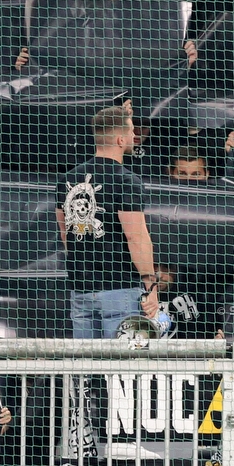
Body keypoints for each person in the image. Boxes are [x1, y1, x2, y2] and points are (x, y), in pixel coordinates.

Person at [57, 103, 160, 339]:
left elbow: (65, 233)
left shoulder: (67, 180)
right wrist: (151, 286)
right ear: (120, 140)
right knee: (119, 370)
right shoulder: (126, 181)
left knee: (85, 370)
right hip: (119, 289)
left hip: (80, 288)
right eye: (131, 131)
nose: (135, 135)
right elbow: (136, 237)